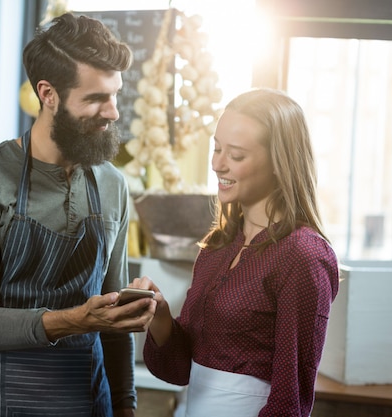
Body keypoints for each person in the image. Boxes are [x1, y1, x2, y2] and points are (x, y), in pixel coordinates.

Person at [0, 12, 156, 417]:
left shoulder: (112, 184)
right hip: (1, 401)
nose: (112, 112)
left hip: (91, 403)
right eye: (94, 98)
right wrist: (75, 320)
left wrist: (125, 407)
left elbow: (113, 327)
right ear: (48, 94)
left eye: (115, 95)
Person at [132, 88, 339, 416]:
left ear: (278, 162)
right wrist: (159, 315)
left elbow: (290, 400)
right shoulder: (218, 246)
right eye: (216, 149)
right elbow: (179, 369)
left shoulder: (302, 255)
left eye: (236, 155)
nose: (217, 164)